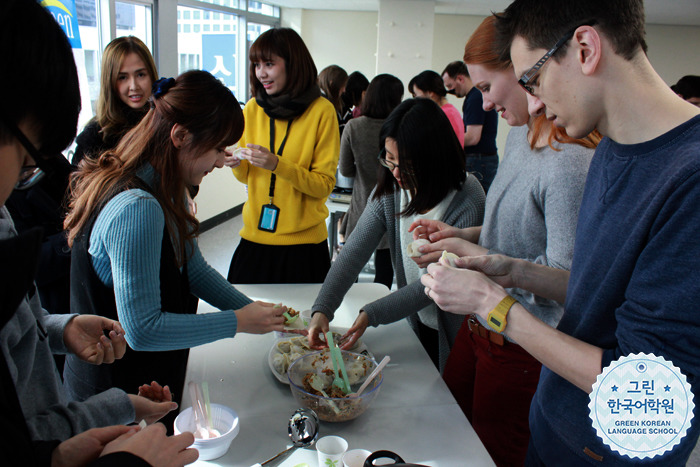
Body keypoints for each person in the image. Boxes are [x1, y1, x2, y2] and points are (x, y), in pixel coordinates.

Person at [424, 1, 700, 465]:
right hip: (553, 420)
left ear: (586, 49)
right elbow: (594, 294)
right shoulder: (613, 147)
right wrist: (509, 269)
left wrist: (492, 305)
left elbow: (652, 396)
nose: (532, 103)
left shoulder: (688, 181)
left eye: (532, 80)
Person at [0, 1, 194, 464]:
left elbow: (21, 334)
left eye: (142, 74)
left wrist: (59, 327)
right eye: (28, 163)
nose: (133, 85)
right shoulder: (131, 201)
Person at [410, 15, 599, 467]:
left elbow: (568, 281)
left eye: (487, 88)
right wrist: (462, 235)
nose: (484, 103)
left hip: (522, 346)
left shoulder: (569, 162)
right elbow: (514, 232)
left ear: (523, 72)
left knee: (491, 454)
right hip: (482, 327)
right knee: (443, 428)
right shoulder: (520, 137)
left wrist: (481, 260)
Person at [63, 70, 288, 430]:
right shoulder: (137, 206)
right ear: (180, 136)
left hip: (144, 380)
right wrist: (237, 322)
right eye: (217, 148)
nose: (220, 161)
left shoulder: (163, 185)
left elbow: (191, 268)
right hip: (112, 392)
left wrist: (248, 310)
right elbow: (143, 329)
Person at [308, 98, 485, 371]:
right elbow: (353, 251)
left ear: (436, 158)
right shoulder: (391, 191)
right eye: (389, 161)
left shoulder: (467, 198)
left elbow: (434, 284)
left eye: (409, 165)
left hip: (456, 327)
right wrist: (322, 309)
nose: (397, 173)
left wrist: (372, 313)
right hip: (414, 320)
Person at [227, 28, 340, 284]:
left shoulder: (321, 111)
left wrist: (277, 164)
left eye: (269, 64)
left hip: (304, 246)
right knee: (243, 320)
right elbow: (247, 177)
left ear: (293, 65)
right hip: (255, 239)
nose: (261, 73)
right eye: (256, 64)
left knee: (302, 322)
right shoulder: (253, 108)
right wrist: (236, 163)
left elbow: (323, 185)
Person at [338, 74, 404, 289]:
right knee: (385, 269)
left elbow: (346, 171)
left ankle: (346, 311)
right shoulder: (400, 128)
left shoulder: (353, 127)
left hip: (361, 204)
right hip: (392, 205)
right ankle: (375, 314)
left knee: (350, 268)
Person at [72, 36, 158, 167]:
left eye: (140, 75)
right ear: (110, 82)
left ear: (151, 75)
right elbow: (77, 185)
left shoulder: (164, 122)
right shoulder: (95, 136)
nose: (134, 86)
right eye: (123, 77)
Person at [442, 61, 499, 193]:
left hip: (479, 160)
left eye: (450, 86)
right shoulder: (474, 96)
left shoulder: (475, 98)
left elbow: (473, 137)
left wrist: (447, 142)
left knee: (475, 203)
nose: (451, 91)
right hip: (481, 159)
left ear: (460, 78)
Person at [409, 70, 465, 147]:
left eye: (416, 94)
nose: (415, 99)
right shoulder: (449, 111)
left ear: (430, 93)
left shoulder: (444, 114)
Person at [318, 64, 349, 132]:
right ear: (332, 83)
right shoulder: (325, 105)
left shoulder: (318, 99)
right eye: (342, 85)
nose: (344, 90)